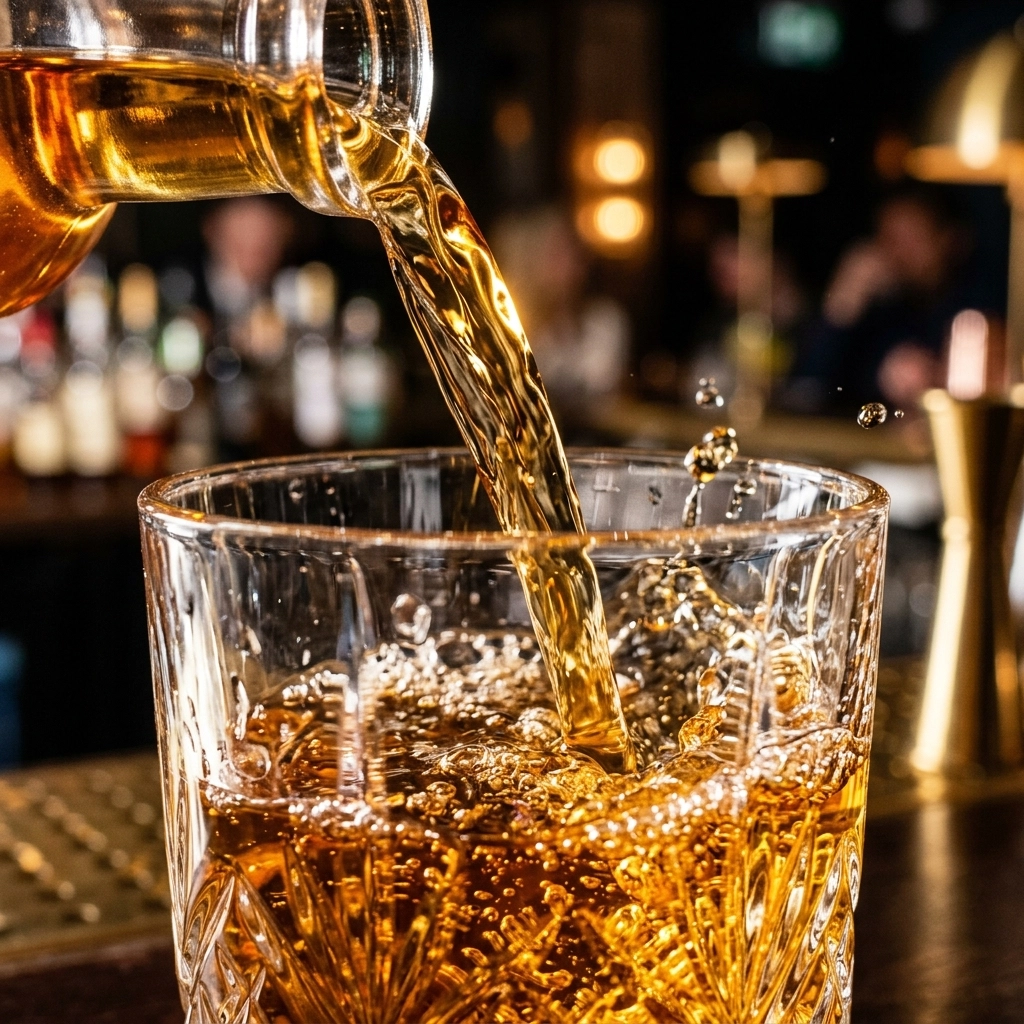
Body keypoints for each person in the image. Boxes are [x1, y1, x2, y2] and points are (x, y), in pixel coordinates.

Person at [784, 186, 977, 415]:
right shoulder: (877, 310)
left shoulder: (977, 305)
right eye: (890, 239)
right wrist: (842, 303)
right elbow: (806, 389)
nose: (898, 253)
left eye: (912, 238)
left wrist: (936, 375)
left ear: (948, 240)